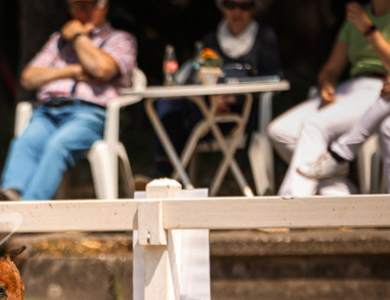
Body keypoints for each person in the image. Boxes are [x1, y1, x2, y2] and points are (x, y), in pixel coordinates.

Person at [0, 0, 137, 201]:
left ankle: (28, 210)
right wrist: (72, 70)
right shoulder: (58, 41)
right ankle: (10, 195)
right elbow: (29, 77)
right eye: (78, 6)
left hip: (90, 115)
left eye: (90, 5)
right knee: (25, 142)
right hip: (47, 112)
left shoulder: (121, 39)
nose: (84, 12)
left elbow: (102, 69)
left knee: (58, 145)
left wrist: (79, 37)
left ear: (104, 6)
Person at [267, 0, 390, 197]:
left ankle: (291, 206)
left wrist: (368, 29)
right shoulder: (357, 15)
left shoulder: (362, 20)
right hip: (351, 86)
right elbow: (332, 68)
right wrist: (327, 83)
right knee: (280, 131)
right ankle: (340, 193)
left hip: (381, 89)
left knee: (315, 125)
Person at [150, 0, 280, 179]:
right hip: (206, 106)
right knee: (168, 104)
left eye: (245, 6)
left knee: (184, 122)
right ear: (222, 7)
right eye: (231, 5)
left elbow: (273, 80)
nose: (237, 12)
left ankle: (172, 178)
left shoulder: (264, 36)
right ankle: (165, 172)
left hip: (240, 113)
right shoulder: (211, 40)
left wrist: (233, 98)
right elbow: (199, 75)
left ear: (253, 9)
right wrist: (212, 98)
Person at [298, 75, 390, 192]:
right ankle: (340, 154)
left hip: (373, 86)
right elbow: (331, 70)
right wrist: (328, 82)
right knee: (388, 126)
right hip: (359, 86)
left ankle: (340, 155)